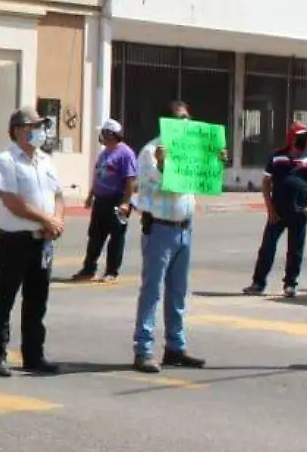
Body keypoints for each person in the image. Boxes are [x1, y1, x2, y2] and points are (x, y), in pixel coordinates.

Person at [130, 100, 211, 375]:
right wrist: (164, 164)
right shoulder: (151, 152)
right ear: (166, 122)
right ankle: (144, 349)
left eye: (188, 118)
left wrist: (214, 159)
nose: (185, 124)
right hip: (160, 229)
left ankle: (175, 347)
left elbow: (202, 181)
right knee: (152, 291)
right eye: (179, 119)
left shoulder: (192, 150)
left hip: (184, 229)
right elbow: (158, 184)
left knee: (178, 292)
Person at [0, 107, 65, 376]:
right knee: (5, 299)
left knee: (37, 300)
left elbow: (58, 195)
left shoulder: (45, 160)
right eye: (34, 126)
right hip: (15, 241)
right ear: (19, 129)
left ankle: (34, 355)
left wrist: (56, 222)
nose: (39, 131)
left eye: (41, 126)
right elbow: (12, 201)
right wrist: (46, 219)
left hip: (42, 241)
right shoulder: (6, 160)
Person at [243, 122, 307, 299]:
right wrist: (270, 209)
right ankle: (258, 283)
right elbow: (266, 183)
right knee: (267, 248)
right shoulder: (277, 157)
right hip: (277, 212)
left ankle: (290, 284)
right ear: (292, 138)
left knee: (295, 250)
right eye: (302, 137)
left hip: (299, 213)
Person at [72, 119, 136, 283]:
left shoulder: (125, 154)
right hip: (101, 201)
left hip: (117, 201)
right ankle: (88, 269)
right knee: (95, 236)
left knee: (116, 238)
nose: (101, 136)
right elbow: (97, 176)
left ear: (111, 135)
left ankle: (111, 272)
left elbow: (130, 180)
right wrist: (90, 195)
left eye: (104, 133)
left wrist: (125, 202)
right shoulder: (103, 153)